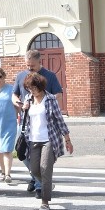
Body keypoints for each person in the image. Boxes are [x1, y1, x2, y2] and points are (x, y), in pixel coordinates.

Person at [18, 73, 72, 210]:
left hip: (49, 139)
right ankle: (48, 183)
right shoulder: (28, 99)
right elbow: (26, 120)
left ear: (40, 87)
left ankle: (45, 202)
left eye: (34, 88)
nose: (31, 91)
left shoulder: (50, 99)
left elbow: (59, 120)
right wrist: (24, 110)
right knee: (34, 170)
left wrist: (67, 139)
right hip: (33, 139)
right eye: (29, 88)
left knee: (45, 169)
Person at [12, 50, 63, 194]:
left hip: (44, 123)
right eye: (27, 65)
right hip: (25, 122)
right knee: (21, 152)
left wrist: (46, 103)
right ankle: (35, 177)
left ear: (39, 62)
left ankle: (41, 185)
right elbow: (14, 94)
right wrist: (19, 103)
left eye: (32, 65)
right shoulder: (21, 76)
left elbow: (58, 93)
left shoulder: (50, 76)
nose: (29, 67)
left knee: (42, 157)